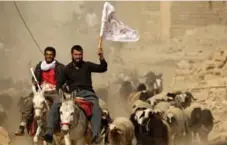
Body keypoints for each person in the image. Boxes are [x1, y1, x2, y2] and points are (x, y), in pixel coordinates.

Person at [43, 45, 108, 143]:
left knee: (96, 107)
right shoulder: (66, 69)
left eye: (80, 54)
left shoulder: (87, 65)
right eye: (76, 54)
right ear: (72, 55)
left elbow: (103, 68)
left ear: (82, 55)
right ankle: (49, 132)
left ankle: (95, 135)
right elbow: (59, 83)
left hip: (88, 94)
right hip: (72, 94)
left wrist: (101, 57)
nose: (78, 56)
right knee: (55, 105)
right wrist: (61, 93)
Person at [15, 47, 64, 136]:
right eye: (47, 54)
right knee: (30, 101)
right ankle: (23, 124)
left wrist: (57, 85)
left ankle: (57, 125)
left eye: (51, 54)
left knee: (58, 103)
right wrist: (34, 80)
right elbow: (35, 77)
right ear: (44, 55)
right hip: (41, 90)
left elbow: (63, 79)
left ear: (54, 55)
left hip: (54, 91)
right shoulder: (40, 66)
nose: (49, 56)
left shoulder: (60, 67)